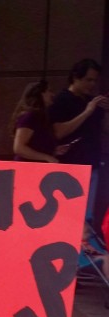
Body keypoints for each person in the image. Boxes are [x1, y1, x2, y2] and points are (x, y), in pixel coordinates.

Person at [49, 58, 109, 227]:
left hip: (92, 162)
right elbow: (59, 131)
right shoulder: (63, 100)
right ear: (76, 77)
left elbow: (105, 129)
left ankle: (83, 247)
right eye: (88, 80)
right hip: (70, 163)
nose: (92, 84)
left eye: (95, 80)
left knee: (87, 214)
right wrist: (87, 112)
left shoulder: (92, 101)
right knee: (69, 213)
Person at [10, 80, 68, 163]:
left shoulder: (41, 118)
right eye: (49, 91)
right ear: (41, 94)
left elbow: (36, 145)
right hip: (28, 169)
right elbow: (19, 148)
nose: (53, 95)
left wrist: (53, 150)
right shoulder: (30, 117)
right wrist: (47, 157)